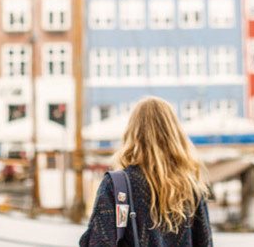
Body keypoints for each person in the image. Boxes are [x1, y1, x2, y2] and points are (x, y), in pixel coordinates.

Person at [80, 97, 212, 247]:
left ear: (132, 134)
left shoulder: (118, 185)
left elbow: (99, 241)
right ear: (175, 135)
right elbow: (205, 243)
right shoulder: (192, 188)